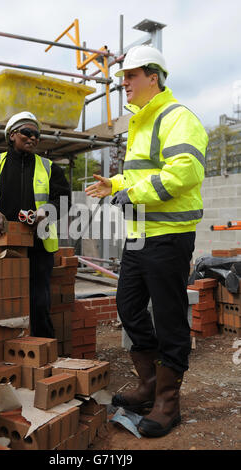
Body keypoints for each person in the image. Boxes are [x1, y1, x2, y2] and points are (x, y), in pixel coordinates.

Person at [85, 45, 208, 438]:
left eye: (130, 75)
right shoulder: (142, 121)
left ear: (153, 77)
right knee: (128, 304)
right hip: (140, 235)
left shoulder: (177, 117)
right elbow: (140, 177)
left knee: (169, 317)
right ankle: (150, 384)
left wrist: (132, 194)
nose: (123, 83)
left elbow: (184, 173)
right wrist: (115, 185)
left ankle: (168, 403)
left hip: (168, 236)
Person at [0, 111, 71, 338]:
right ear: (12, 135)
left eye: (36, 135)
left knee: (39, 303)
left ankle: (43, 351)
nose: (33, 138)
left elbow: (63, 201)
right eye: (27, 132)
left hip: (39, 247)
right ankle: (3, 351)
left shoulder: (50, 168)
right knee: (1, 301)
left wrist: (45, 212)